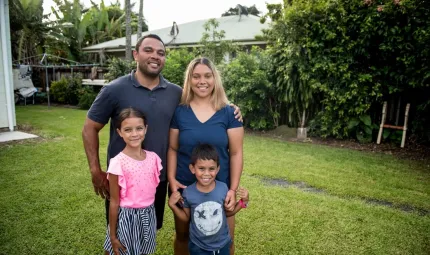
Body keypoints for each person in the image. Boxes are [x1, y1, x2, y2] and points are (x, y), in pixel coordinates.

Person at [82, 34, 241, 236]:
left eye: (161, 53)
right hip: (125, 179)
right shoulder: (114, 90)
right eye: (148, 50)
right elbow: (89, 128)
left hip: (159, 178)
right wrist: (95, 170)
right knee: (119, 233)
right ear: (135, 54)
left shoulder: (175, 94)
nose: (155, 56)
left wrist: (232, 108)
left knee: (148, 233)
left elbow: (203, 100)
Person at [168, 57, 244, 255]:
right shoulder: (180, 111)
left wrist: (233, 189)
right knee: (183, 237)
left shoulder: (229, 113)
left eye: (208, 76)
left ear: (215, 78)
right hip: (185, 186)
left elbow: (236, 153)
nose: (202, 81)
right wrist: (171, 180)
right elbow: (173, 149)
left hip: (221, 187)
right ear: (189, 80)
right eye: (196, 76)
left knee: (226, 240)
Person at [168, 144, 249, 255]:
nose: (206, 173)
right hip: (198, 247)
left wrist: (243, 202)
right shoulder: (188, 192)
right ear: (192, 169)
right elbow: (186, 218)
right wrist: (172, 206)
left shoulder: (223, 188)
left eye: (211, 169)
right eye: (201, 168)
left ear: (217, 169)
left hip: (222, 244)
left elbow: (228, 213)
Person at [103, 107, 161, 255]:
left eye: (139, 128)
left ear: (146, 129)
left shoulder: (154, 158)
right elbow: (114, 201)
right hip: (126, 219)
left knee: (142, 251)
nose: (134, 134)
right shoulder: (118, 163)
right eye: (128, 130)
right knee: (121, 251)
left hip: (148, 216)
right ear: (119, 132)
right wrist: (112, 236)